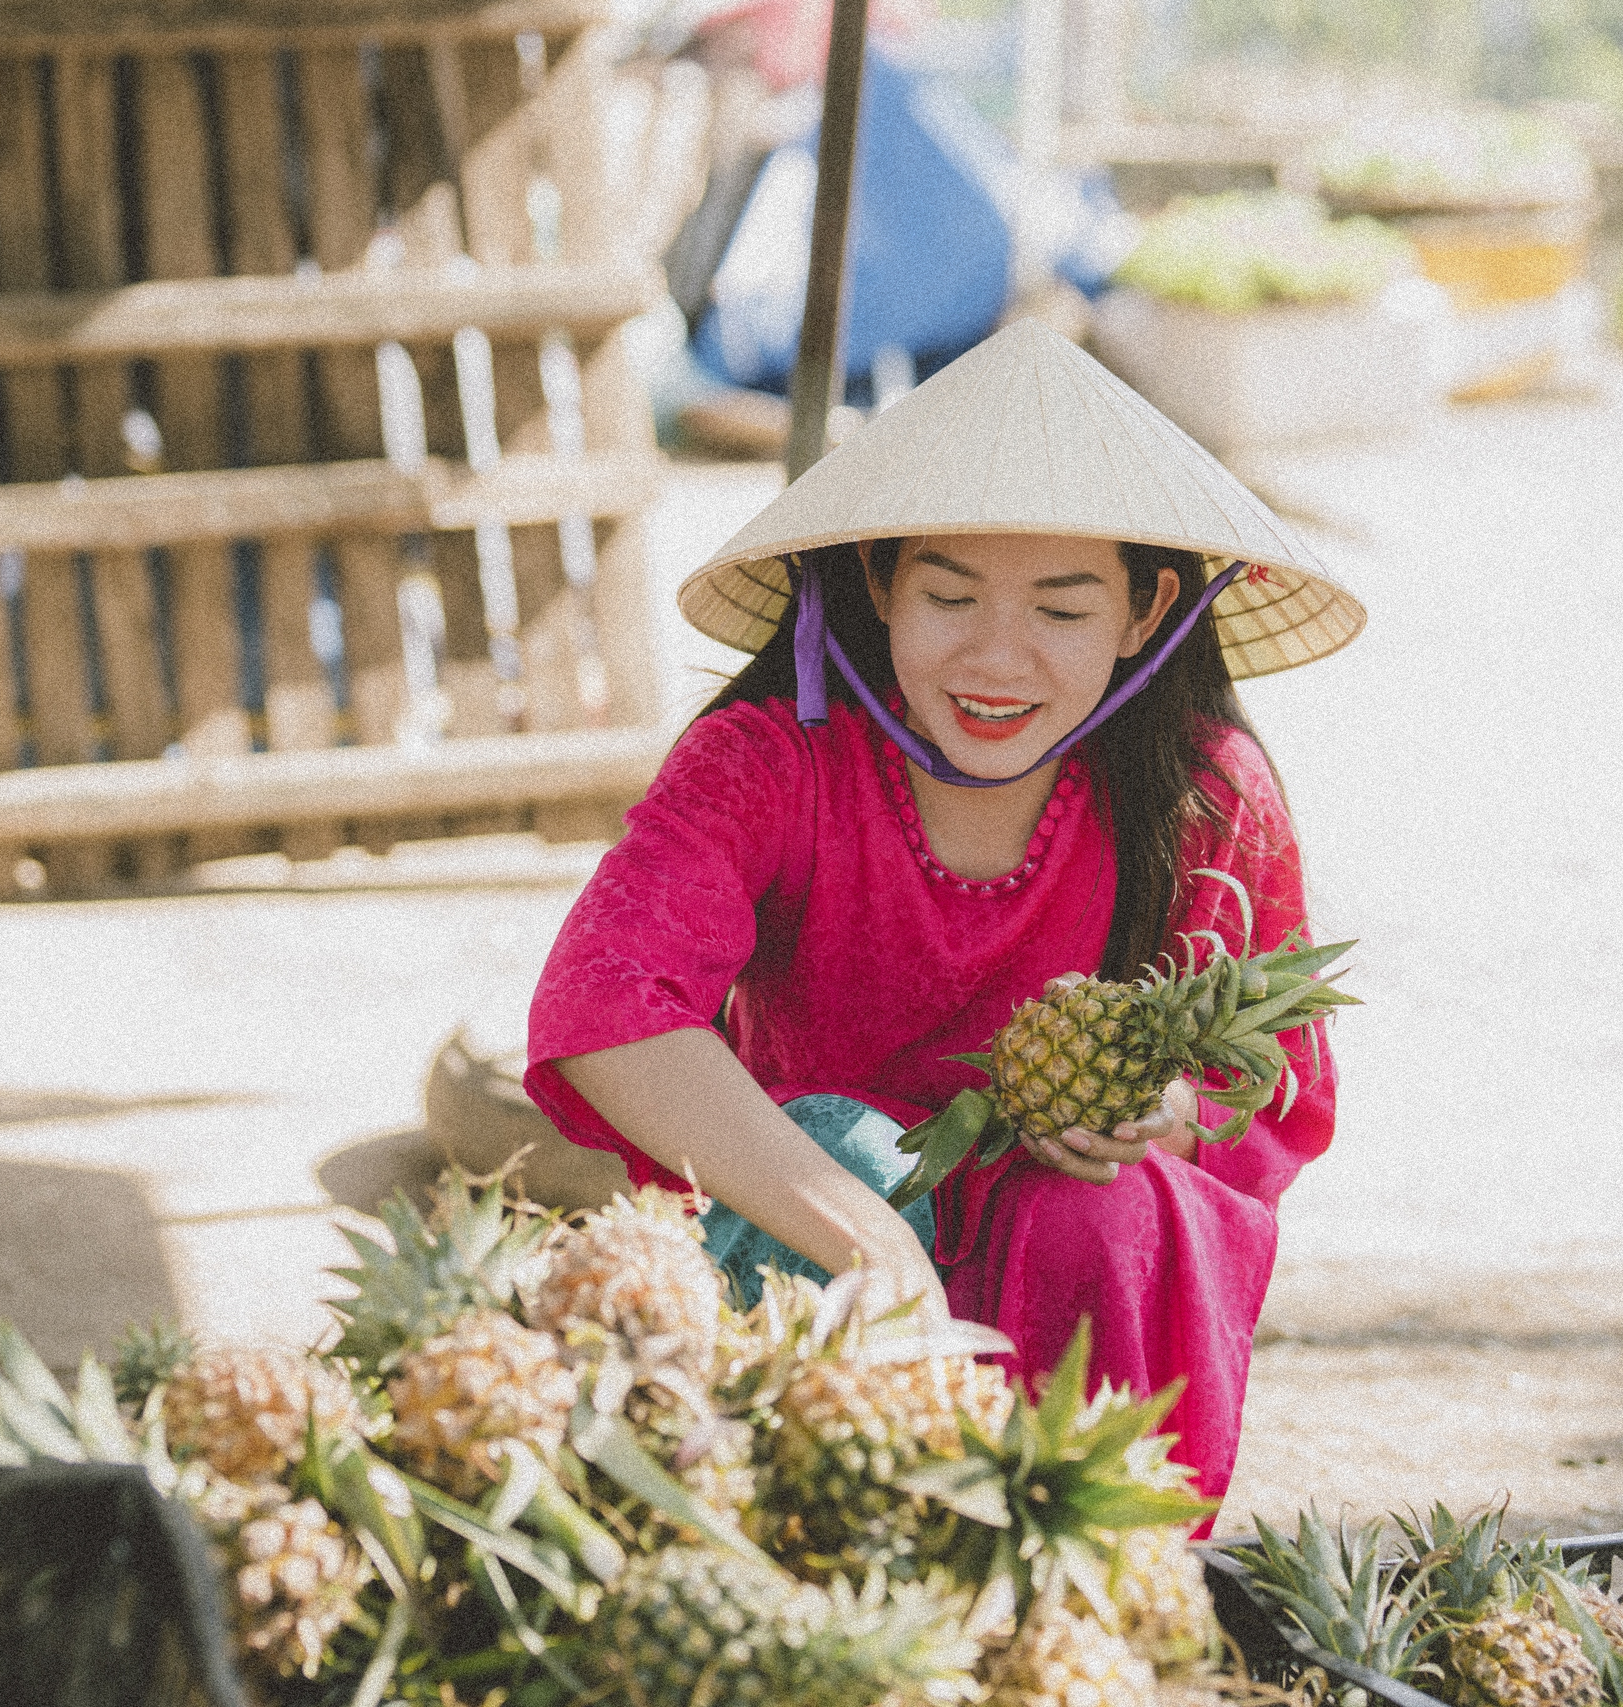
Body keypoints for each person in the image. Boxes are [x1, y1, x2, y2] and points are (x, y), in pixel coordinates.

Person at [522, 319, 1366, 1502]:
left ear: (1144, 611)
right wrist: (867, 1235)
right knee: (843, 1141)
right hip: (803, 1238)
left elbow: (1270, 1082)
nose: (997, 657)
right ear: (878, 581)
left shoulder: (1206, 794)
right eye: (950, 595)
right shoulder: (764, 763)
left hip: (1077, 1268)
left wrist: (1165, 1110)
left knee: (1105, 1211)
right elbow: (604, 1005)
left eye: (1062, 612)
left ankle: (1099, 1583)